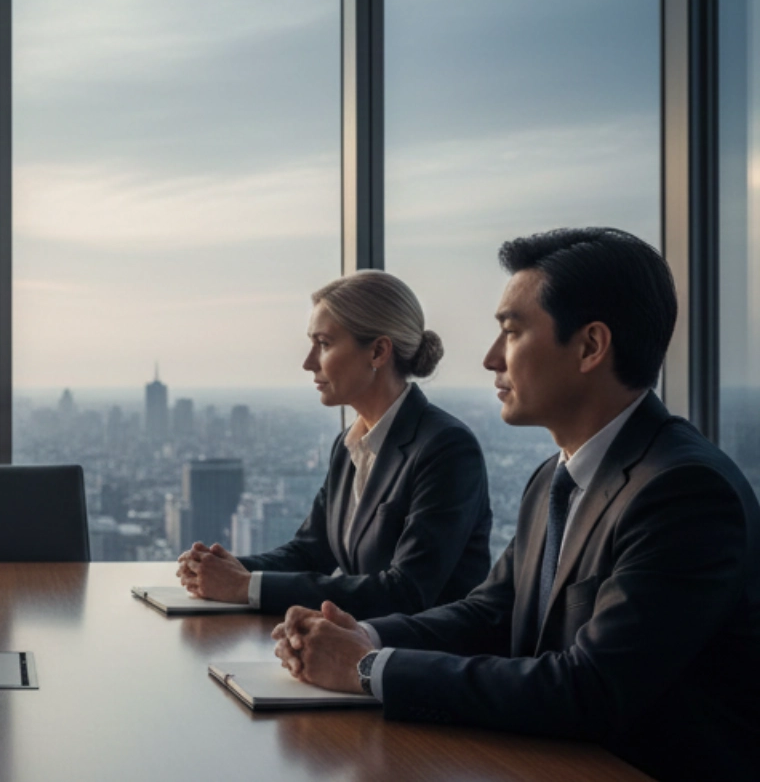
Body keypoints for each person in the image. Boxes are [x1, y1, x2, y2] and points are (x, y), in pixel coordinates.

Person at [272, 228, 760, 781]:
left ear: (590, 347)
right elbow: (492, 613)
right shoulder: (556, 477)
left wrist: (366, 669)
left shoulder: (684, 491)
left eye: (511, 331)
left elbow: (589, 690)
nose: (488, 359)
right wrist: (367, 636)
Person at [177, 270, 492, 619]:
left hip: (423, 664)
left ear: (378, 351)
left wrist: (244, 586)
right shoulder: (349, 445)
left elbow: (405, 592)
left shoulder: (446, 448)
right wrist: (225, 567)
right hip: (357, 650)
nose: (308, 362)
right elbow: (310, 552)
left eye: (324, 344)